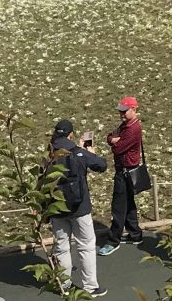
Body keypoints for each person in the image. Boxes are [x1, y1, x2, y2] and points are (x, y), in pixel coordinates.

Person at [43, 119, 106, 296]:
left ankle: (65, 285)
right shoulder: (78, 153)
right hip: (80, 207)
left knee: (61, 247)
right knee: (86, 245)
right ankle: (90, 286)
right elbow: (102, 165)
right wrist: (89, 152)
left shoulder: (50, 156)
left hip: (57, 208)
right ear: (71, 135)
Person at [101, 96, 145, 254]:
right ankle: (135, 234)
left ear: (134, 109)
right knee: (129, 204)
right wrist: (114, 139)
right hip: (127, 170)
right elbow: (110, 137)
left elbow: (117, 149)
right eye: (120, 112)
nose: (121, 115)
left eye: (124, 112)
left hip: (125, 171)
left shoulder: (133, 129)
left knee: (118, 207)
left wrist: (114, 141)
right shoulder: (126, 125)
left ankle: (114, 240)